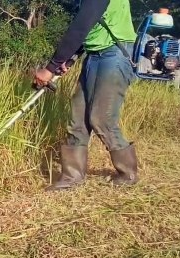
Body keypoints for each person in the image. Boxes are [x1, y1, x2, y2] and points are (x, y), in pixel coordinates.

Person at [33, 0, 139, 190]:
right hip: (94, 55)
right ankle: (72, 177)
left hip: (113, 54)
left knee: (102, 118)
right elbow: (92, 29)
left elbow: (81, 26)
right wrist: (70, 58)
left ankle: (128, 173)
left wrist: (50, 67)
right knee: (78, 119)